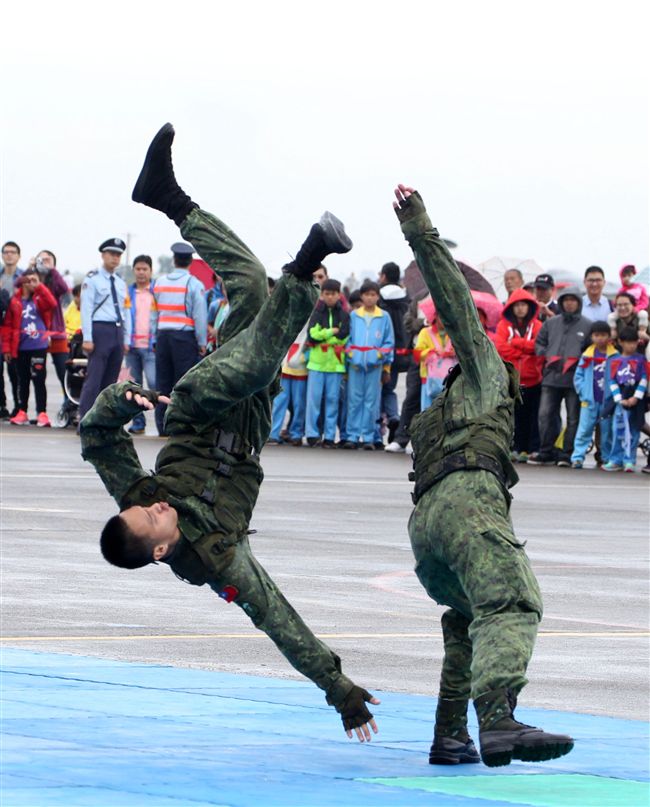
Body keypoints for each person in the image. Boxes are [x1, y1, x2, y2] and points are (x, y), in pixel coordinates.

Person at [82, 122, 379, 741]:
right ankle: (166, 197)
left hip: (198, 407)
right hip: (248, 427)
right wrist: (340, 690)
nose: (155, 504)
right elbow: (278, 619)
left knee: (254, 362)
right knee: (248, 280)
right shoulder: (219, 561)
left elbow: (96, 437)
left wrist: (121, 399)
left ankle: (299, 258)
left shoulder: (138, 498)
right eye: (154, 519)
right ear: (160, 550)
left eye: (147, 507)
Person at [393, 183, 573, 769]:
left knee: (469, 617)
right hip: (467, 505)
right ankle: (498, 719)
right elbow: (453, 303)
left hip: (425, 532)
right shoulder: (485, 370)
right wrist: (420, 228)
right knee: (513, 600)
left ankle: (450, 735)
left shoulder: (439, 409)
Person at [530, 287, 591, 466]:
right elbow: (539, 343)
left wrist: (579, 360)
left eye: (573, 300)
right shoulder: (551, 323)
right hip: (550, 378)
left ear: (579, 303)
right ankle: (546, 451)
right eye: (566, 300)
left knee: (573, 418)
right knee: (545, 415)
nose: (569, 303)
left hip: (574, 381)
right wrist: (547, 355)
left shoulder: (588, 325)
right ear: (561, 302)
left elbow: (591, 349)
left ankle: (566, 453)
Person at [152, 242, 208, 435]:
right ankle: (179, 425)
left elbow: (154, 314)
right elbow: (199, 316)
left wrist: (154, 338)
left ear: (174, 260)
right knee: (182, 384)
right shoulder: (194, 284)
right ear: (190, 261)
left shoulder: (159, 282)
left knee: (163, 383)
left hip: (162, 337)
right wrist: (202, 342)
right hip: (184, 339)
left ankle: (162, 424)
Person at [78, 238, 131, 422]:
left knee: (110, 382)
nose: (115, 258)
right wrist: (87, 337)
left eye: (118, 255)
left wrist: (126, 339)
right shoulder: (92, 280)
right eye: (112, 254)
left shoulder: (120, 282)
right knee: (94, 379)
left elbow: (126, 311)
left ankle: (102, 421)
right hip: (100, 330)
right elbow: (86, 310)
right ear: (103, 255)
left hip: (117, 331)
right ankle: (86, 420)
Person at [343, 280, 394, 450]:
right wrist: (351, 355)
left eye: (373, 295)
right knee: (354, 401)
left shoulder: (384, 317)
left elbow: (389, 342)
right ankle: (352, 435)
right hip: (355, 365)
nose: (370, 298)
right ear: (361, 296)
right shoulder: (354, 315)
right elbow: (347, 338)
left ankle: (368, 436)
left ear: (378, 296)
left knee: (371, 402)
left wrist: (381, 359)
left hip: (375, 366)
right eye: (366, 295)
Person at [2, 269, 57, 426]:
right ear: (24, 282)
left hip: (38, 345)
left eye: (35, 280)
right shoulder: (15, 301)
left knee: (39, 379)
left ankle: (42, 413)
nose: (33, 283)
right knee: (23, 380)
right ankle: (22, 411)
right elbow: (7, 326)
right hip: (20, 347)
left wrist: (40, 287)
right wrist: (6, 348)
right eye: (30, 280)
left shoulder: (40, 298)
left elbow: (52, 304)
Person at [495, 289, 544, 461]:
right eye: (517, 305)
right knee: (515, 416)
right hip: (512, 380)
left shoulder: (537, 325)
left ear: (530, 307)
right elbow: (501, 348)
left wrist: (516, 343)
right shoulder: (503, 325)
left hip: (534, 379)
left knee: (534, 416)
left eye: (523, 305)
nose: (520, 308)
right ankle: (516, 448)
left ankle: (532, 449)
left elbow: (539, 346)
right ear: (511, 308)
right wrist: (525, 352)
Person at [304, 278, 349, 447]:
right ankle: (312, 434)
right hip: (316, 364)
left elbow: (344, 337)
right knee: (313, 401)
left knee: (332, 401)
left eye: (333, 294)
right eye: (327, 293)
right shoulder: (316, 313)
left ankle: (329, 435)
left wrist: (324, 336)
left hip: (335, 365)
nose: (330, 297)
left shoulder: (344, 315)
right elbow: (312, 335)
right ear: (322, 294)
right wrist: (331, 332)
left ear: (339, 295)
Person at [570, 321, 618, 469]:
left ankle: (606, 457)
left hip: (607, 401)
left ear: (609, 336)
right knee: (584, 429)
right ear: (591, 337)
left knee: (607, 431)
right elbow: (578, 376)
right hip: (589, 400)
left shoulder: (614, 356)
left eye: (603, 335)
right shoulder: (587, 355)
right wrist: (583, 392)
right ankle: (578, 457)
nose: (600, 338)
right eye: (596, 335)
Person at [601, 327, 648, 472]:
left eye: (634, 342)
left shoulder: (641, 359)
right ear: (620, 342)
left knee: (634, 429)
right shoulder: (615, 360)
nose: (631, 346)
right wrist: (619, 399)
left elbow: (644, 379)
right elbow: (612, 381)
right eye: (628, 342)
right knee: (618, 429)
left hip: (636, 399)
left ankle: (629, 460)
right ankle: (615, 459)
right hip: (620, 398)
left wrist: (636, 397)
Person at [124, 255, 157, 435]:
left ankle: (163, 422)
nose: (141, 272)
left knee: (154, 384)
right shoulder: (127, 292)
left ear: (151, 271)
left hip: (152, 347)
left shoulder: (157, 292)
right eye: (138, 269)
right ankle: (138, 422)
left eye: (145, 269)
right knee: (134, 387)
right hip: (132, 347)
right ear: (133, 271)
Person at [378, 262, 410, 443]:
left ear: (383, 276)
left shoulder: (380, 297)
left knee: (379, 389)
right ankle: (392, 417)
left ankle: (387, 419)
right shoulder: (406, 297)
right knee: (390, 388)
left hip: (383, 351)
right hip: (402, 351)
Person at [34, 250, 69, 401]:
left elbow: (64, 288)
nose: (44, 262)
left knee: (63, 371)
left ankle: (69, 404)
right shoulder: (32, 280)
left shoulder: (54, 281)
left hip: (56, 333)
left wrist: (52, 269)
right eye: (41, 259)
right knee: (38, 374)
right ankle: (40, 409)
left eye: (47, 259)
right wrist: (30, 270)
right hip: (36, 334)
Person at [413, 308, 456, 411]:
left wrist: (454, 352)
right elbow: (417, 355)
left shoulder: (454, 333)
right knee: (428, 410)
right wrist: (431, 352)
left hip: (451, 379)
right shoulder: (425, 332)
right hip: (429, 379)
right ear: (435, 317)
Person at [1, 241, 24, 416]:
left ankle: (18, 406)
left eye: (13, 252)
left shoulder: (24, 277)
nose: (9, 255)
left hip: (16, 330)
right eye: (6, 252)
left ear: (18, 256)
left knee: (15, 371)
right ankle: (2, 405)